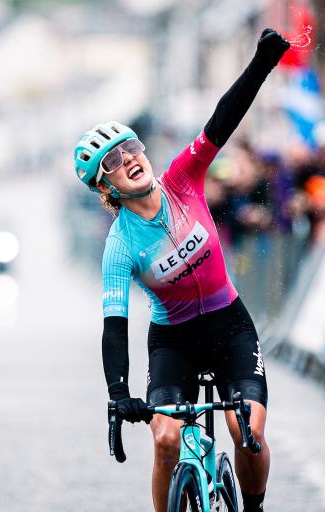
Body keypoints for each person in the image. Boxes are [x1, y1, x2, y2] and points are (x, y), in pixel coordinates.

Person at [73, 29, 290, 512]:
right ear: (106, 187)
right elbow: (114, 326)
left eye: (130, 147)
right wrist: (118, 394)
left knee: (246, 430)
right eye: (112, 160)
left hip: (230, 325)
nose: (128, 158)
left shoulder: (182, 179)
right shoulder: (120, 245)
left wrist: (262, 63)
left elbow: (222, 121)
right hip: (174, 343)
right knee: (167, 438)